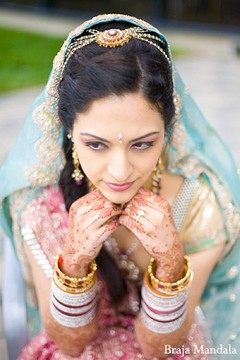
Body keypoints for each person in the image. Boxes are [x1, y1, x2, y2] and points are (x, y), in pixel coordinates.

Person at [0, 13, 240, 360]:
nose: (120, 170)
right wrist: (75, 262)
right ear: (69, 133)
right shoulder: (44, 207)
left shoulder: (199, 205)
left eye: (142, 144)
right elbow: (69, 343)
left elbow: (158, 348)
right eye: (96, 144)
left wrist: (171, 264)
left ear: (168, 129)